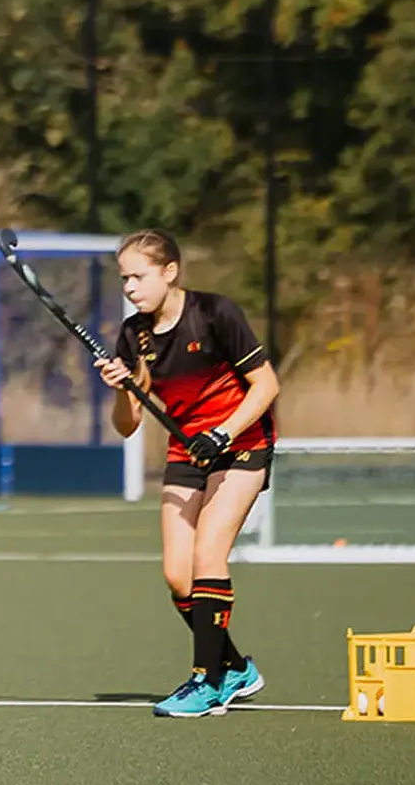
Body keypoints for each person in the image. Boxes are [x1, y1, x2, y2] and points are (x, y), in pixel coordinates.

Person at [95, 229, 279, 719]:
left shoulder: (215, 314)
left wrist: (222, 433)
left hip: (241, 442)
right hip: (186, 449)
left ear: (170, 271)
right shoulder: (133, 335)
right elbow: (127, 426)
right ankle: (235, 668)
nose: (130, 288)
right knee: (178, 576)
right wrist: (122, 388)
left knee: (207, 555)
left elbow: (266, 385)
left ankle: (208, 680)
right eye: (124, 279)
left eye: (139, 276)